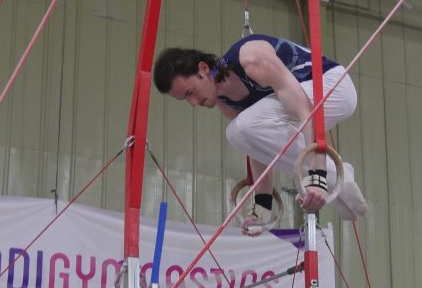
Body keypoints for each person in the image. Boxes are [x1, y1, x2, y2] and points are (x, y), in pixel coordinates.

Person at [153, 34, 367, 235]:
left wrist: (317, 176)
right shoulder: (225, 102)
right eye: (184, 99)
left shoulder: (251, 59)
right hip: (303, 106)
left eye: (190, 92)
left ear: (203, 69)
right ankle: (337, 175)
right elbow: (257, 145)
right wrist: (262, 208)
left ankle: (333, 174)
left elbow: (305, 110)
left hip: (332, 86)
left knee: (241, 127)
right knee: (240, 132)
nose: (192, 103)